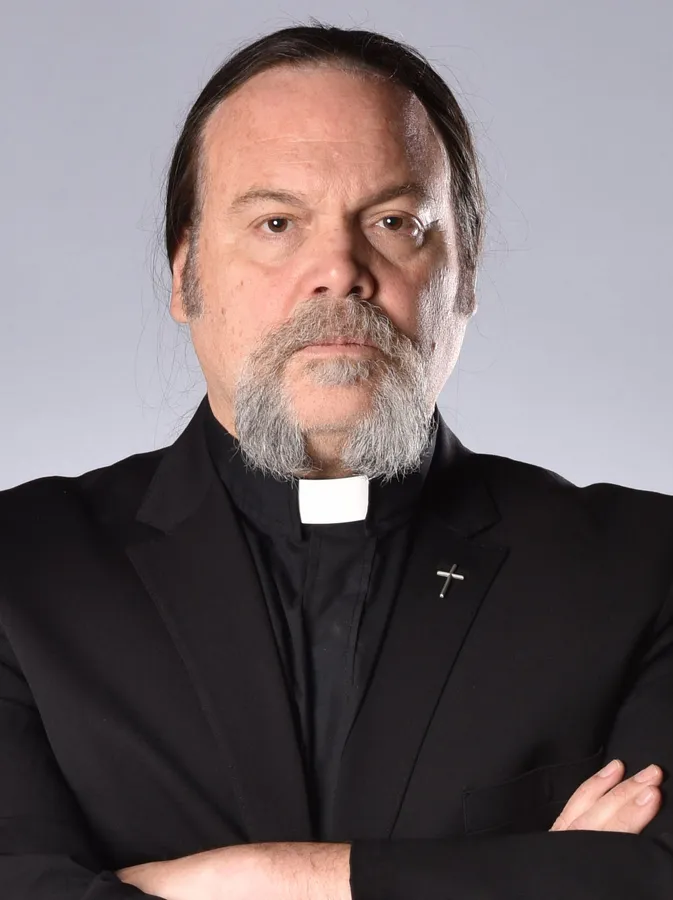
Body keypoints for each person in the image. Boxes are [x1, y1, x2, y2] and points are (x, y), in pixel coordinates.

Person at [0, 21, 671, 900]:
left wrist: (251, 878)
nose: (338, 272)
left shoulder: (645, 567)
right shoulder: (21, 567)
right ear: (185, 274)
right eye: (276, 223)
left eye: (394, 222)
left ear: (464, 277)